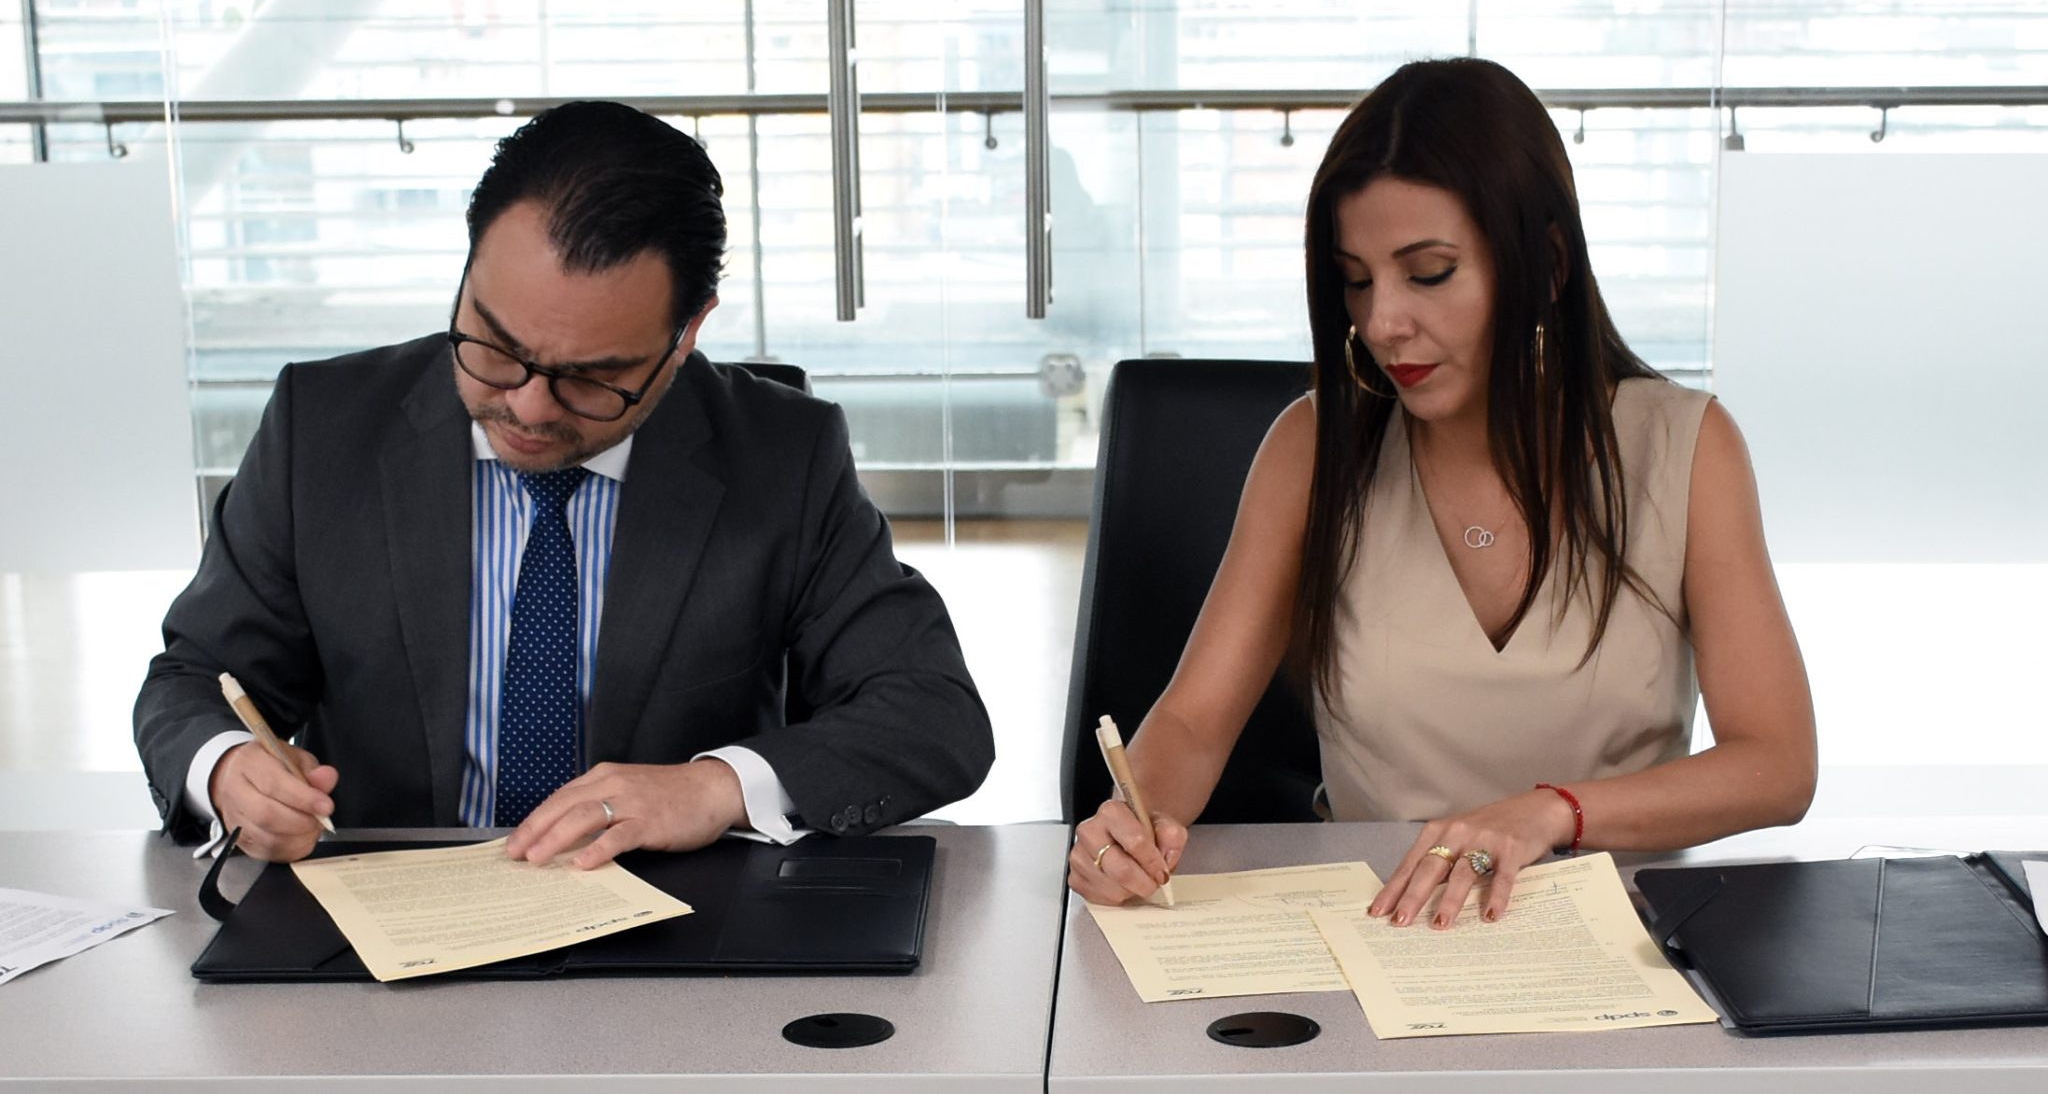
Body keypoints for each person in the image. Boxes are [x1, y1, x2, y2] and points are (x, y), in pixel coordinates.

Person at [134, 101, 994, 866]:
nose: (528, 405)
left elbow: (934, 713)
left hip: (674, 922)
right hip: (391, 918)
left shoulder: (781, 455)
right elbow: (194, 679)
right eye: (496, 345)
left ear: (687, 332)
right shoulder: (323, 429)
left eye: (593, 377)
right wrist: (226, 770)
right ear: (468, 271)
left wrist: (717, 786)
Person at [1069, 58, 1816, 925]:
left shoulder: (1687, 449)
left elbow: (1778, 762)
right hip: (1378, 935)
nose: (1382, 321)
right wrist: (1132, 818)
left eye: (1427, 273)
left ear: (1545, 264)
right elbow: (1193, 723)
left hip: (1613, 944)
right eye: (1357, 279)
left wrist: (1552, 811)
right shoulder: (1311, 449)